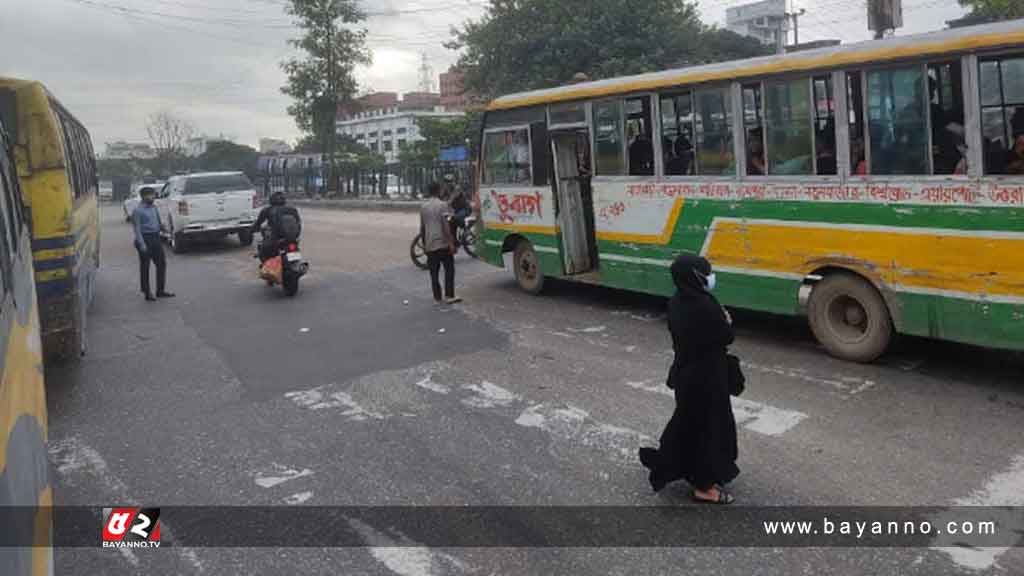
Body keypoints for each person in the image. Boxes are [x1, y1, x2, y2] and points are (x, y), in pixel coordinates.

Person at [638, 253, 739, 504]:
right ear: (695, 276)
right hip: (707, 377)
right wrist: (726, 320)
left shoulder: (676, 302)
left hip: (687, 374)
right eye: (706, 273)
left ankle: (693, 472)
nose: (710, 277)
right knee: (709, 429)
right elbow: (725, 336)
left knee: (691, 425)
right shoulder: (704, 305)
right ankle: (704, 486)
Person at [420, 182, 460, 305]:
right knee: (449, 269)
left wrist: (425, 244)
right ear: (439, 191)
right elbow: (446, 226)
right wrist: (451, 243)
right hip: (442, 243)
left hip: (430, 244)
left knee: (434, 272)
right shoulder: (443, 205)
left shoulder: (423, 207)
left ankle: (437, 297)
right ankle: (449, 295)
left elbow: (422, 228)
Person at [132, 186, 173, 301]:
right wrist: (142, 245)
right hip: (144, 239)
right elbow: (137, 230)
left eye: (154, 195)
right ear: (144, 196)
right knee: (145, 267)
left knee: (161, 264)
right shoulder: (137, 211)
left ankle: (160, 290)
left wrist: (164, 230)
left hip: (155, 238)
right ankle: (147, 292)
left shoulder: (154, 208)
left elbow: (158, 222)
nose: (154, 197)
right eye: (151, 195)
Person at [252, 191, 301, 262]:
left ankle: (267, 265)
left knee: (263, 248)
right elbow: (298, 222)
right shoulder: (292, 209)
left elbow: (258, 222)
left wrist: (252, 230)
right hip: (293, 237)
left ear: (271, 200)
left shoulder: (267, 210)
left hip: (276, 237)